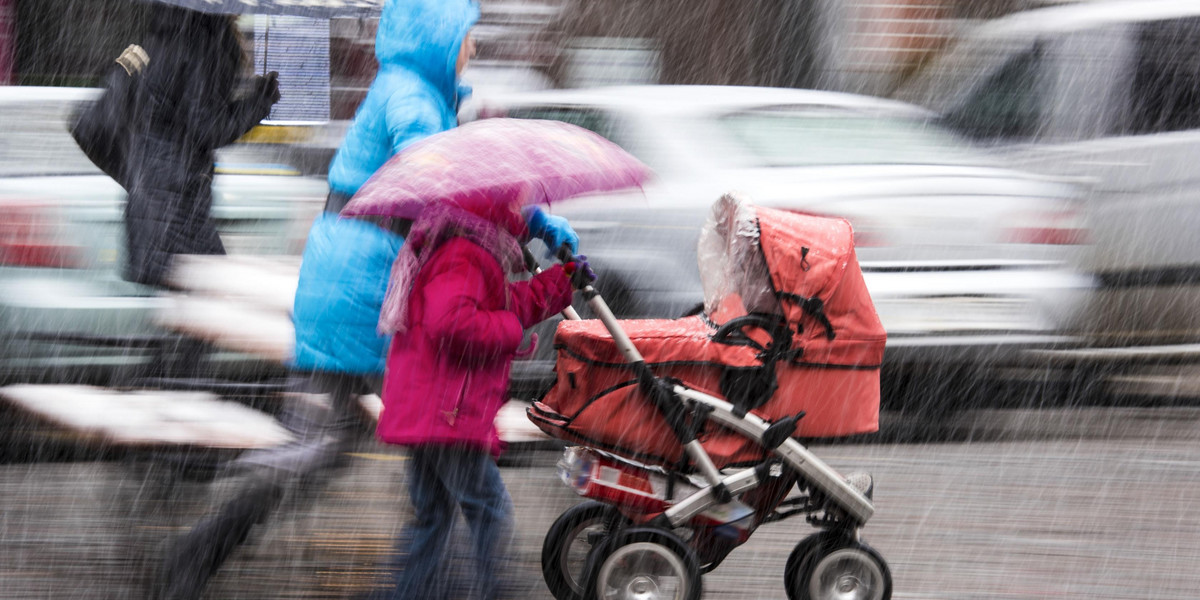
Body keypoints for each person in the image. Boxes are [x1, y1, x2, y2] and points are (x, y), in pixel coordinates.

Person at [155, 1, 575, 597]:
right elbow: (436, 173)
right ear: (438, 36)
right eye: (467, 36)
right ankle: (446, 578)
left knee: (366, 439)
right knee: (426, 430)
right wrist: (524, 218)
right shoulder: (408, 95)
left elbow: (449, 177)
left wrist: (527, 215)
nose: (473, 48)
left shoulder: (419, 93)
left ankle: (416, 575)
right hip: (364, 285)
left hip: (363, 278)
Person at [377, 199, 591, 600]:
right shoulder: (467, 254)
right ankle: (493, 589)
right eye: (519, 206)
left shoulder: (471, 250)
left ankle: (412, 590)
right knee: (488, 508)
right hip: (447, 413)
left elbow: (510, 302)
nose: (527, 217)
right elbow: (453, 321)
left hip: (430, 409)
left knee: (434, 514)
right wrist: (509, 329)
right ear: (497, 211)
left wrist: (562, 281)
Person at [122, 6, 279, 288]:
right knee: (217, 302)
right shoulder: (202, 45)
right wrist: (259, 102)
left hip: (155, 195)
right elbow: (208, 126)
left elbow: (186, 116)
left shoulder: (170, 33)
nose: (242, 10)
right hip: (176, 205)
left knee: (199, 310)